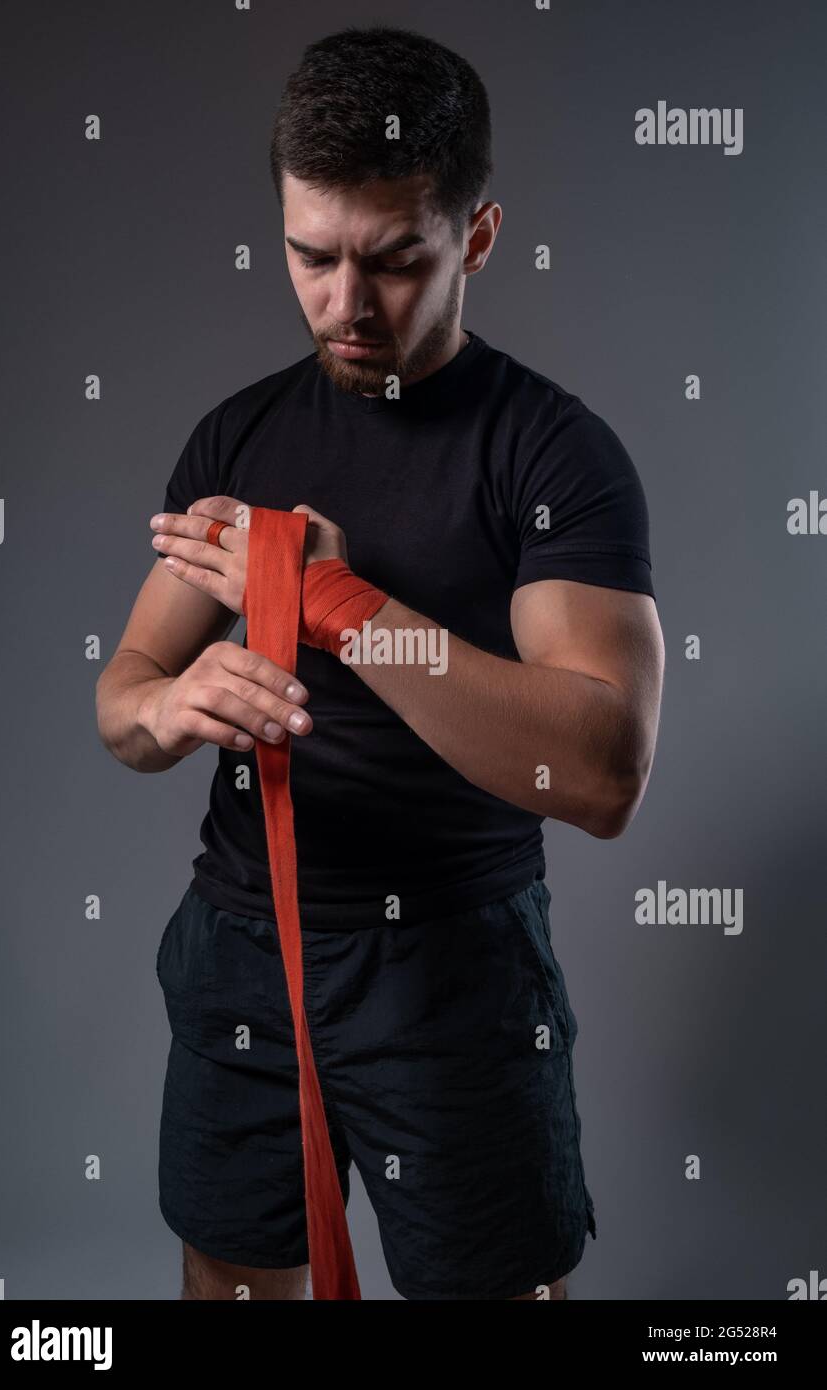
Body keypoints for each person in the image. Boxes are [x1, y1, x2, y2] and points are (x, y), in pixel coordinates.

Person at [96, 25, 664, 1301]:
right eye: (311, 256)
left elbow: (599, 769)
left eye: (394, 260)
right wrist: (170, 700)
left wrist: (342, 605)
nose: (345, 305)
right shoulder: (236, 436)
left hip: (452, 971)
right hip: (244, 947)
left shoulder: (551, 458)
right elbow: (120, 693)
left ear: (473, 235)